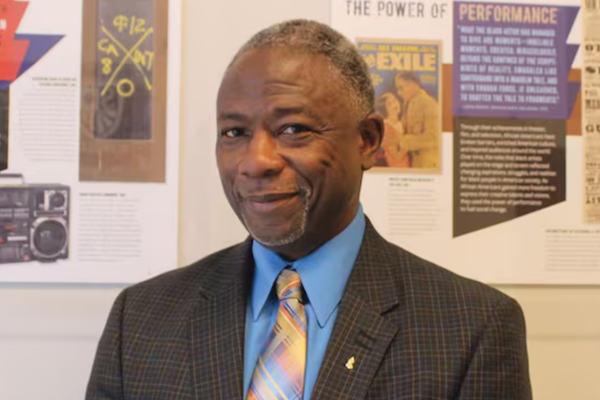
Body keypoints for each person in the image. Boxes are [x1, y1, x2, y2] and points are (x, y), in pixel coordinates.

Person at [86, 20, 531, 400]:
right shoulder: (140, 318)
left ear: (367, 140)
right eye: (235, 132)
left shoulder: (472, 328)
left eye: (293, 129)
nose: (256, 161)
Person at [395, 71, 441, 169]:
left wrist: (407, 141)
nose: (399, 93)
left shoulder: (429, 104)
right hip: (413, 165)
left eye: (401, 88)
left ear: (412, 85)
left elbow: (435, 138)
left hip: (427, 166)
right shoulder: (407, 105)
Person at [375, 92, 410, 167]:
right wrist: (408, 145)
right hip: (396, 165)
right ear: (385, 109)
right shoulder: (386, 127)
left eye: (394, 100)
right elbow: (396, 155)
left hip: (406, 163)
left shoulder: (400, 123)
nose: (394, 104)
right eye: (389, 104)